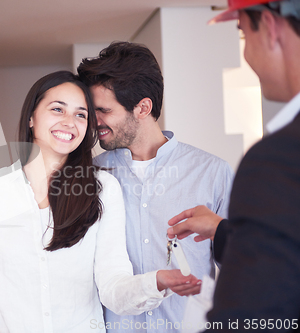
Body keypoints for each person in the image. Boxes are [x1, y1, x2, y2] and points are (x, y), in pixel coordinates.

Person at [0, 71, 200, 333]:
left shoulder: (102, 189)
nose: (70, 122)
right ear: (32, 117)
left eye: (81, 115)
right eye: (58, 109)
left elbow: (113, 285)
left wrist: (156, 282)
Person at [76, 42, 234, 333]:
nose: (93, 121)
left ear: (143, 107)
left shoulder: (212, 173)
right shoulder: (91, 175)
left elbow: (240, 272)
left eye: (103, 110)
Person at [167, 0, 300, 330]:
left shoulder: (276, 158)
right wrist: (224, 232)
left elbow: (250, 316)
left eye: (242, 35)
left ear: (269, 26)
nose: (247, 56)